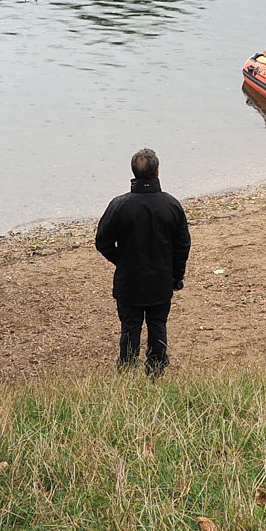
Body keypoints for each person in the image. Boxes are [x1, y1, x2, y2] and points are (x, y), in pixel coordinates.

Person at [94, 147, 190, 374]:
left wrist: (122, 261)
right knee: (158, 325)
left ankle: (127, 369)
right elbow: (183, 245)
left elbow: (102, 242)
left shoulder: (119, 205)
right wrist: (176, 275)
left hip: (130, 281)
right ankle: (156, 370)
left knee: (130, 327)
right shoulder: (171, 205)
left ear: (133, 174)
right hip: (160, 279)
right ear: (157, 172)